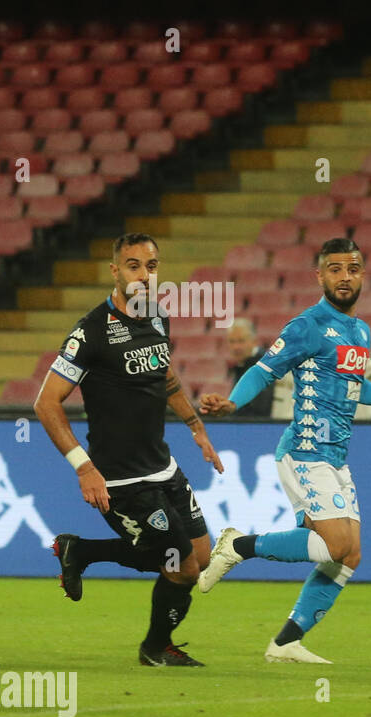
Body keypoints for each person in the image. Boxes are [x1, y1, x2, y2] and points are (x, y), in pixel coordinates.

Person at [196, 238, 371, 663]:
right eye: (335, 269)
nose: (344, 277)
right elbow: (264, 368)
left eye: (352, 269)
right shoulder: (307, 325)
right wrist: (234, 401)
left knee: (351, 554)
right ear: (320, 276)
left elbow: (355, 388)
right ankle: (238, 546)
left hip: (336, 454)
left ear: (363, 274)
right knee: (333, 544)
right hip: (305, 449)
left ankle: (286, 642)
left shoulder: (360, 330)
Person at [34, 233, 225, 667]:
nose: (144, 275)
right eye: (134, 265)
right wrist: (84, 468)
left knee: (200, 556)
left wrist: (196, 426)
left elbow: (164, 375)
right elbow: (45, 403)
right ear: (115, 271)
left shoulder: (157, 317)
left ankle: (80, 551)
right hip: (120, 479)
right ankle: (155, 647)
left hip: (162, 466)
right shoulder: (90, 332)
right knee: (182, 566)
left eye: (152, 266)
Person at [225, 319, 274, 417]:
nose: (236, 347)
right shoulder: (242, 365)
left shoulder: (264, 366)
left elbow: (259, 410)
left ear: (254, 341)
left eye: (241, 341)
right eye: (232, 341)